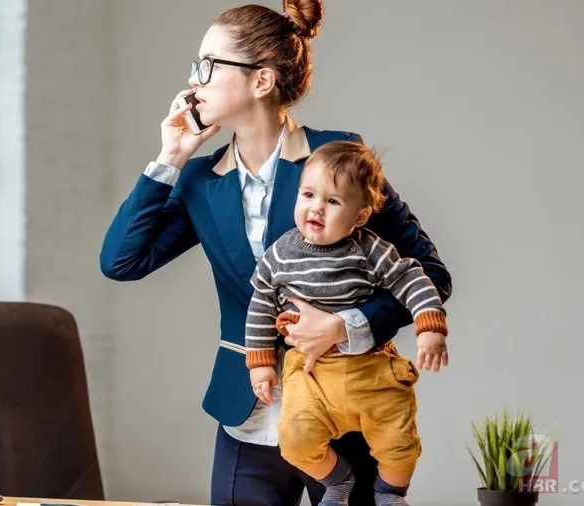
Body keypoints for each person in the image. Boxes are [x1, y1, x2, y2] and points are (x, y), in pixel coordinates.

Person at [99, 0, 452, 504]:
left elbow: (431, 274)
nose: (193, 81)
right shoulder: (201, 180)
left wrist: (347, 324)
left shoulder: (339, 158)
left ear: (261, 81)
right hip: (250, 414)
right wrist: (171, 156)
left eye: (208, 65)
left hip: (347, 412)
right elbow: (120, 262)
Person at [244, 140, 450, 506]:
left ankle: (390, 494)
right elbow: (260, 303)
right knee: (294, 439)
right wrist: (260, 364)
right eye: (308, 195)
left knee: (400, 442)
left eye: (333, 201)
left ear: (360, 216)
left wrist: (429, 325)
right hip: (310, 374)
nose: (316, 208)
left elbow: (413, 277)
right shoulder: (280, 254)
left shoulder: (370, 249)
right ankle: (338, 480)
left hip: (371, 368)